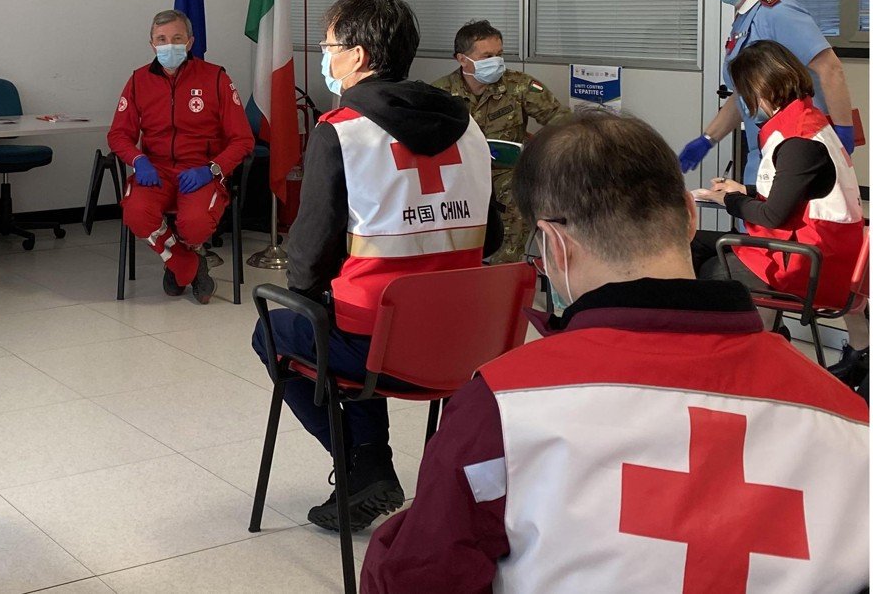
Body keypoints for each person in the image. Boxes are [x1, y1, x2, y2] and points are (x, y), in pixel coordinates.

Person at [362, 111, 868, 593]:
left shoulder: (505, 405)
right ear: (690, 216)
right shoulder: (850, 420)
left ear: (553, 246)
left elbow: (419, 575)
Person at [251, 0, 500, 532]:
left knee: (278, 326)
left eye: (330, 47)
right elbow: (494, 231)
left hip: (378, 346)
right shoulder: (469, 127)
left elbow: (308, 259)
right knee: (344, 312)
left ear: (359, 57)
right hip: (467, 339)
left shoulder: (341, 131)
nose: (325, 56)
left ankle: (362, 463)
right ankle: (370, 464)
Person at [692, 40, 866, 377]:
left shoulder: (798, 141)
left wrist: (726, 199)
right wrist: (742, 191)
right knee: (695, 242)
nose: (743, 104)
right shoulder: (807, 121)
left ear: (763, 90)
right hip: (818, 249)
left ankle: (748, 356)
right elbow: (794, 193)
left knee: (704, 258)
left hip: (805, 261)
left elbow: (773, 215)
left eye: (744, 95)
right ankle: (767, 342)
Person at [680, 0, 856, 183]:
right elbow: (744, 94)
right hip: (764, 148)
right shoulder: (743, 18)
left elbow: (831, 69)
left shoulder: (778, 12)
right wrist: (707, 139)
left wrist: (844, 131)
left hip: (795, 148)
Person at [107, 9, 254, 304]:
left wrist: (212, 169)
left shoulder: (215, 78)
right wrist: (138, 160)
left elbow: (243, 139)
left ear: (189, 42)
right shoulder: (138, 80)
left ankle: (182, 260)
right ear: (152, 44)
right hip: (155, 171)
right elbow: (118, 135)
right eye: (161, 39)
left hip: (200, 171)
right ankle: (186, 263)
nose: (168, 45)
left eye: (176, 38)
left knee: (196, 222)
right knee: (134, 211)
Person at [427, 20, 568, 264]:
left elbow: (562, 121)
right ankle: (455, 269)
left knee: (516, 195)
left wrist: (540, 150)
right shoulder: (440, 93)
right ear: (462, 59)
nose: (496, 61)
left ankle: (504, 270)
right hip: (460, 172)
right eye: (487, 56)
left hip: (506, 171)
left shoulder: (519, 85)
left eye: (499, 54)